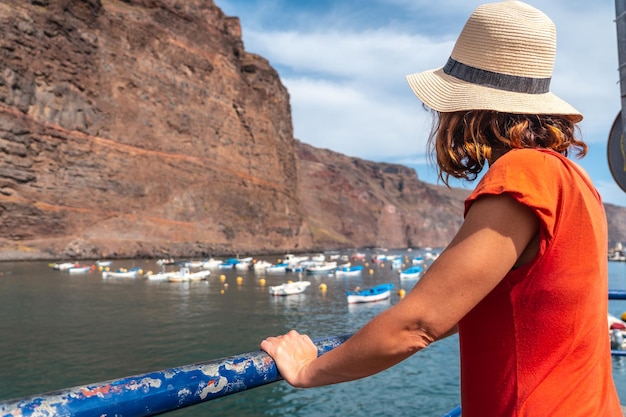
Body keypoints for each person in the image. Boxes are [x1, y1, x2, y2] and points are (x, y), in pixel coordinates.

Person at [260, 1, 622, 416]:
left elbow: (417, 326)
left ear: (465, 107)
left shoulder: (523, 174)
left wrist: (309, 369)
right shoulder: (574, 180)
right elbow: (476, 302)